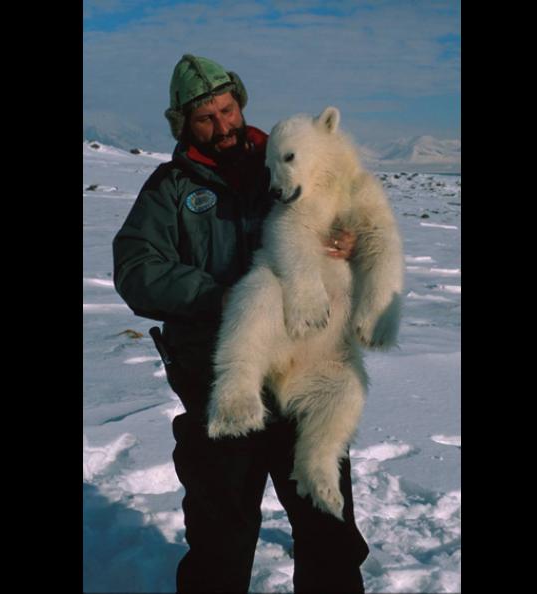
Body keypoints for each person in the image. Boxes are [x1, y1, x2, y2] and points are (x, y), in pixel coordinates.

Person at [113, 54, 369, 593]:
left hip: (306, 361)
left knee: (327, 521)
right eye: (205, 118)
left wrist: (352, 242)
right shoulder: (171, 190)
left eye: (227, 109)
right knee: (221, 528)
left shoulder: (282, 161)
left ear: (240, 103)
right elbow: (137, 270)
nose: (223, 125)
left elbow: (352, 208)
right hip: (217, 368)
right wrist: (225, 300)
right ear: (183, 124)